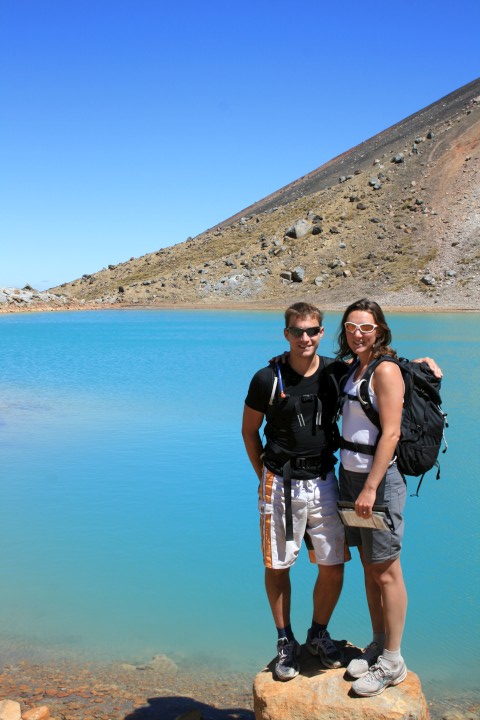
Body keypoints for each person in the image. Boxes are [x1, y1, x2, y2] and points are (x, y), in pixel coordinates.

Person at [242, 302, 348, 681]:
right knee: (277, 565)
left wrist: (420, 365)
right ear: (286, 334)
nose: (305, 338)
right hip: (280, 481)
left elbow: (377, 370)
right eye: (298, 331)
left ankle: (318, 633)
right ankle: (285, 640)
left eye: (312, 330)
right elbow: (249, 431)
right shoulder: (267, 379)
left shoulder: (336, 373)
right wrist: (263, 476)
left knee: (333, 565)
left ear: (322, 332)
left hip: (324, 480)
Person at [336, 298, 409, 697]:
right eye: (351, 327)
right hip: (350, 478)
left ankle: (394, 661)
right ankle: (379, 642)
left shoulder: (385, 370)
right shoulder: (354, 368)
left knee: (387, 570)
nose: (358, 334)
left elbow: (392, 432)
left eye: (366, 327)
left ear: (379, 329)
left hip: (377, 484)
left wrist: (370, 487)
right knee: (369, 567)